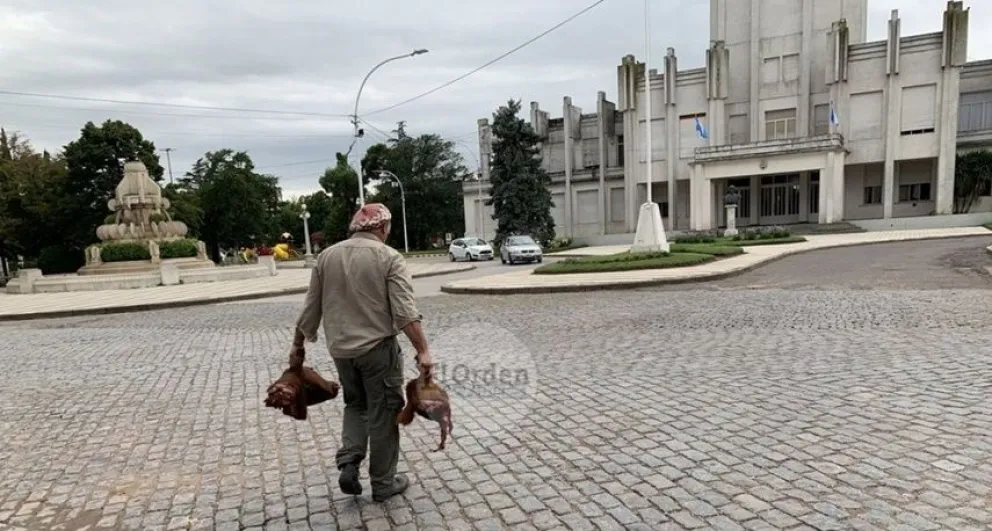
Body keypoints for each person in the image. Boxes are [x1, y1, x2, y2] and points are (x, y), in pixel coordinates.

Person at [289, 203, 435, 502]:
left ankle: (349, 462)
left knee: (355, 405)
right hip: (378, 350)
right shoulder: (388, 256)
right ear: (383, 228)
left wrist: (298, 346)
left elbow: (310, 308)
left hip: (341, 351)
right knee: (383, 412)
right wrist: (423, 350)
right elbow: (405, 312)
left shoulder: (326, 256)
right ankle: (383, 483)